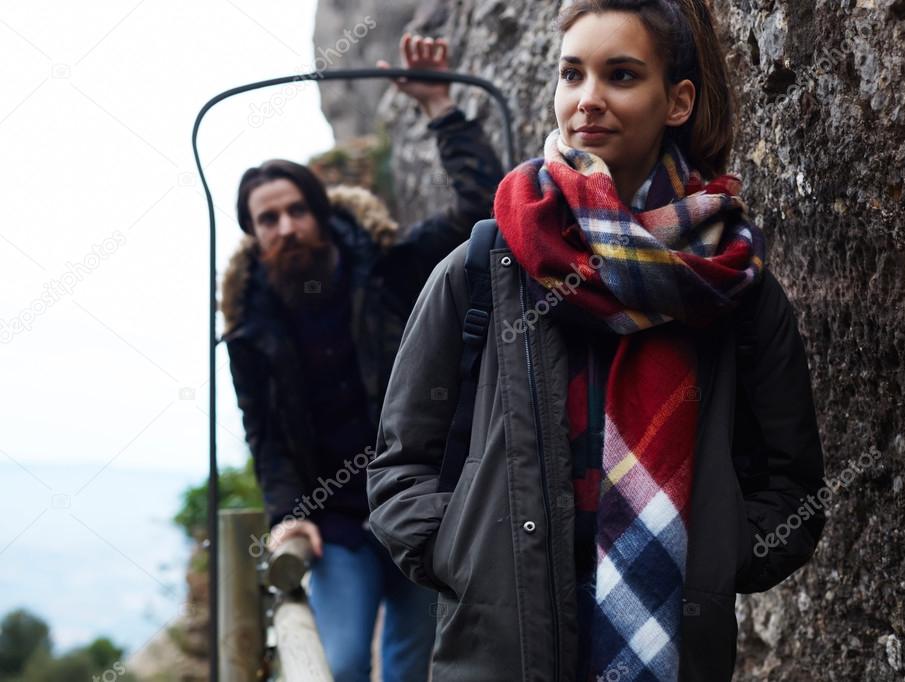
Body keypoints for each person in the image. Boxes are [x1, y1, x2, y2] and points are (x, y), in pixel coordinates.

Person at [365, 2, 827, 681]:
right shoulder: (483, 267)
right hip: (498, 654)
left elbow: (793, 483)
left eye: (620, 75)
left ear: (676, 102)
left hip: (671, 648)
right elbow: (399, 461)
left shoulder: (732, 286)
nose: (587, 100)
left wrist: (716, 555)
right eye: (571, 74)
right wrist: (462, 554)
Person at [221, 33, 503, 682]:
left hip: (418, 499)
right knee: (338, 664)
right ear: (253, 235)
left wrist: (437, 105)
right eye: (268, 219)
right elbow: (266, 439)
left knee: (415, 669)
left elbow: (482, 214)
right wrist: (289, 516)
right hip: (337, 521)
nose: (286, 226)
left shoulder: (388, 270)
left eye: (296, 210)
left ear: (321, 213)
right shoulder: (251, 334)